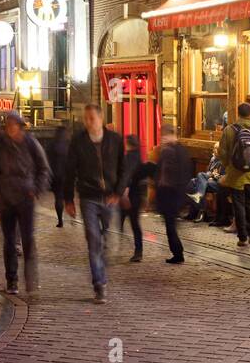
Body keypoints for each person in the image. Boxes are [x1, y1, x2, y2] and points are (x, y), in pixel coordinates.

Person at [62, 104, 127, 303]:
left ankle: (101, 262)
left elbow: (123, 168)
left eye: (92, 118)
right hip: (88, 196)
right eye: (86, 119)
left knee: (106, 240)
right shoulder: (78, 141)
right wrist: (68, 199)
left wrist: (118, 192)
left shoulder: (115, 140)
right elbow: (69, 170)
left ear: (101, 119)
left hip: (109, 197)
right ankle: (99, 284)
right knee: (93, 239)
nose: (88, 122)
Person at [0, 112, 51, 295]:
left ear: (20, 126)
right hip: (5, 198)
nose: (11, 128)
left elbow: (43, 168)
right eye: (8, 125)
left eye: (14, 125)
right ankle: (12, 280)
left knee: (28, 239)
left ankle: (31, 279)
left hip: (26, 197)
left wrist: (36, 189)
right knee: (9, 240)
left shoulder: (30, 143)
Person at [217, 102, 250, 247]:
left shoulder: (229, 130)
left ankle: (242, 238)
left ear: (238, 113)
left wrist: (229, 166)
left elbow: (222, 152)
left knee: (238, 206)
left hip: (235, 176)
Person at [153, 124, 193, 263]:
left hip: (172, 194)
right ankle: (177, 253)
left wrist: (179, 192)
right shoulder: (169, 150)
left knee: (170, 225)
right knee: (170, 225)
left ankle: (178, 254)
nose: (162, 138)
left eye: (164, 135)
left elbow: (183, 173)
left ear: (171, 134)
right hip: (168, 194)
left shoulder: (177, 151)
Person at [118, 134, 153, 262]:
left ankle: (109, 245)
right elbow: (143, 179)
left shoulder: (129, 158)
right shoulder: (139, 158)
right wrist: (145, 198)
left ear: (128, 144)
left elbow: (127, 175)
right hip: (136, 195)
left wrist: (125, 192)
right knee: (133, 223)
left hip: (129, 195)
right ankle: (138, 251)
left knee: (121, 221)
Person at [48, 124, 71, 227]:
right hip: (67, 175)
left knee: (58, 198)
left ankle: (60, 220)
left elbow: (47, 160)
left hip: (55, 175)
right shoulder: (69, 145)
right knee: (68, 197)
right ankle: (71, 214)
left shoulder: (51, 145)